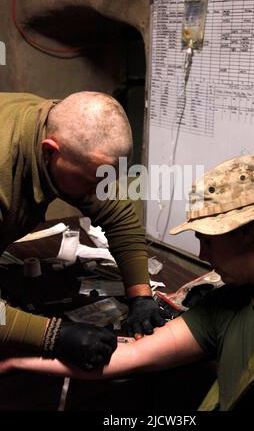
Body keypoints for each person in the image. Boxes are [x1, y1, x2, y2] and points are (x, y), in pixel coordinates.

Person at [3, 153, 254, 411]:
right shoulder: (229, 302)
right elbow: (131, 355)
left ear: (247, 232)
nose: (202, 254)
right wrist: (19, 361)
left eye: (207, 241)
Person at [0, 91, 165, 371]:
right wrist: (53, 335)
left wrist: (140, 296)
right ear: (50, 151)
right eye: (92, 182)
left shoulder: (59, 130)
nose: (98, 192)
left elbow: (119, 216)